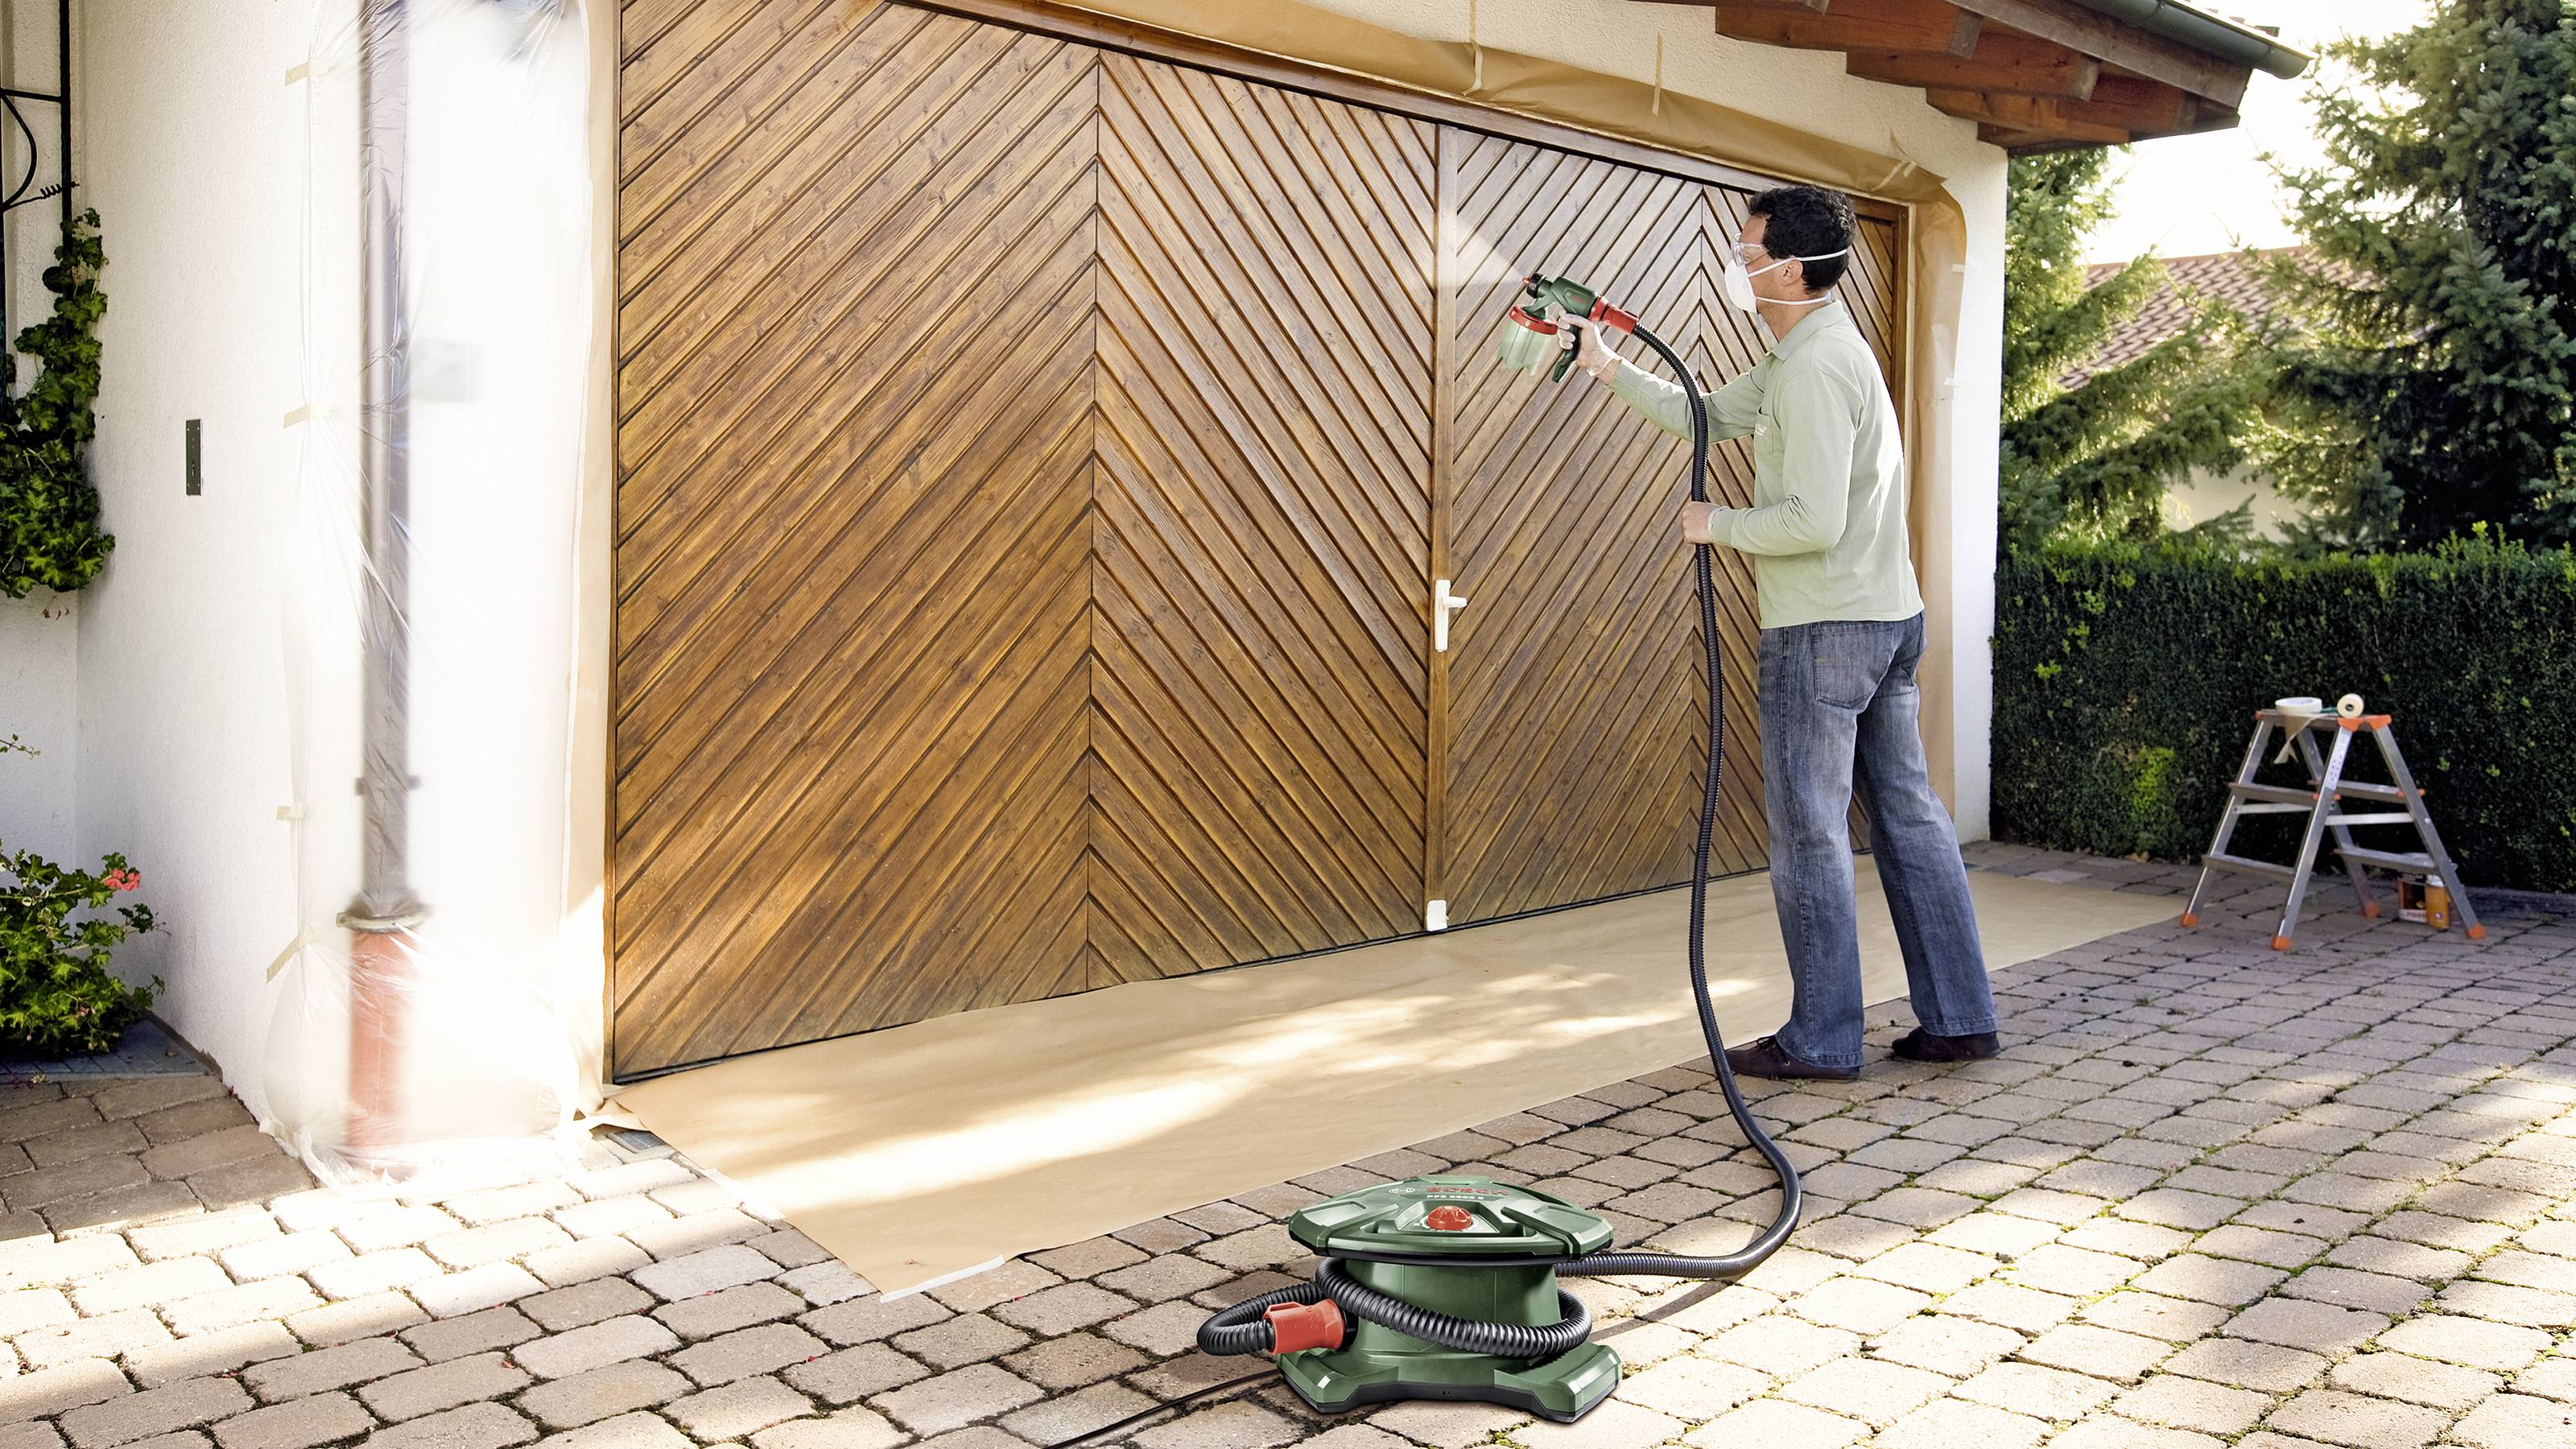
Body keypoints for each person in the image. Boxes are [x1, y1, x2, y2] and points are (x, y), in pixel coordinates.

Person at [1564, 184, 1999, 1082]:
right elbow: (1710, 414)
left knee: (1809, 832)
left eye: (1746, 248)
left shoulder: (1809, 368)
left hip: (1824, 630)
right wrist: (1608, 366)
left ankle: (1823, 1038)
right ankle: (1959, 1018)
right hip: (1885, 618)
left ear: (1787, 269)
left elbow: (1809, 521)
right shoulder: (1815, 348)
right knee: (1909, 819)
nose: (1737, 261)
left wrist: (1712, 525)